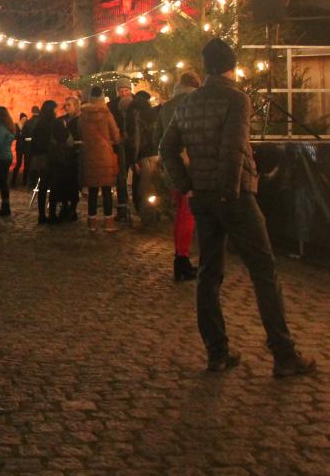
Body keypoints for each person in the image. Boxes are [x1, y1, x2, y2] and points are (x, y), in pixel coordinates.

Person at [160, 38, 316, 378]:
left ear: (205, 67)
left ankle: (217, 352)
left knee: (208, 275)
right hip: (234, 196)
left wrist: (186, 185)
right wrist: (228, 193)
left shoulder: (186, 104)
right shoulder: (236, 99)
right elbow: (233, 149)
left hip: (202, 197)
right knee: (264, 270)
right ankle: (283, 353)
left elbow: (166, 148)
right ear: (231, 65)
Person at [157, 71, 201, 281]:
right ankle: (182, 258)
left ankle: (180, 256)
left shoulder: (166, 106)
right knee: (187, 214)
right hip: (189, 164)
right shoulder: (196, 102)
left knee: (180, 214)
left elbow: (161, 139)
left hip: (172, 167)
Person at [79, 86, 121, 231]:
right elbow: (116, 136)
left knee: (92, 190)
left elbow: (80, 133)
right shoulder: (107, 113)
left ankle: (92, 223)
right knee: (106, 189)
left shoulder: (82, 114)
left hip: (89, 154)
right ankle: (109, 222)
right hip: (105, 155)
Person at [109, 78, 143, 224]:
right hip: (119, 147)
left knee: (138, 178)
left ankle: (139, 205)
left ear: (130, 90)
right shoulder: (112, 106)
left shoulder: (139, 104)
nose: (123, 93)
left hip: (137, 147)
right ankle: (123, 209)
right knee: (121, 178)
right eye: (121, 91)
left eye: (126, 90)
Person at [29, 100, 69, 225]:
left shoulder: (38, 123)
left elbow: (34, 142)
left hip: (41, 158)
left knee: (42, 187)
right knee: (54, 187)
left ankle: (41, 215)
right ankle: (52, 214)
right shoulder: (56, 123)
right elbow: (63, 137)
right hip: (52, 158)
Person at [54, 95, 83, 223]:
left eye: (69, 105)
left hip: (75, 156)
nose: (66, 107)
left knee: (73, 184)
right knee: (63, 183)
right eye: (65, 105)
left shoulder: (81, 120)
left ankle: (72, 208)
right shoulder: (61, 120)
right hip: (63, 157)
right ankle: (64, 206)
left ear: (76, 106)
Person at [21, 106, 41, 187]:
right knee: (38, 165)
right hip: (38, 147)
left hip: (28, 146)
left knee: (27, 165)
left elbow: (23, 134)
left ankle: (25, 182)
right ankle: (37, 184)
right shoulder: (41, 122)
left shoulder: (28, 122)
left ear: (32, 111)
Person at [11, 112, 28, 187]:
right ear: (20, 119)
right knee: (19, 163)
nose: (24, 120)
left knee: (27, 164)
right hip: (20, 146)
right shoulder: (16, 125)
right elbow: (15, 136)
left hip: (26, 146)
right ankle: (13, 181)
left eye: (25, 119)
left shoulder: (27, 125)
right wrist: (21, 135)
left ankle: (25, 182)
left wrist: (22, 135)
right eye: (23, 119)